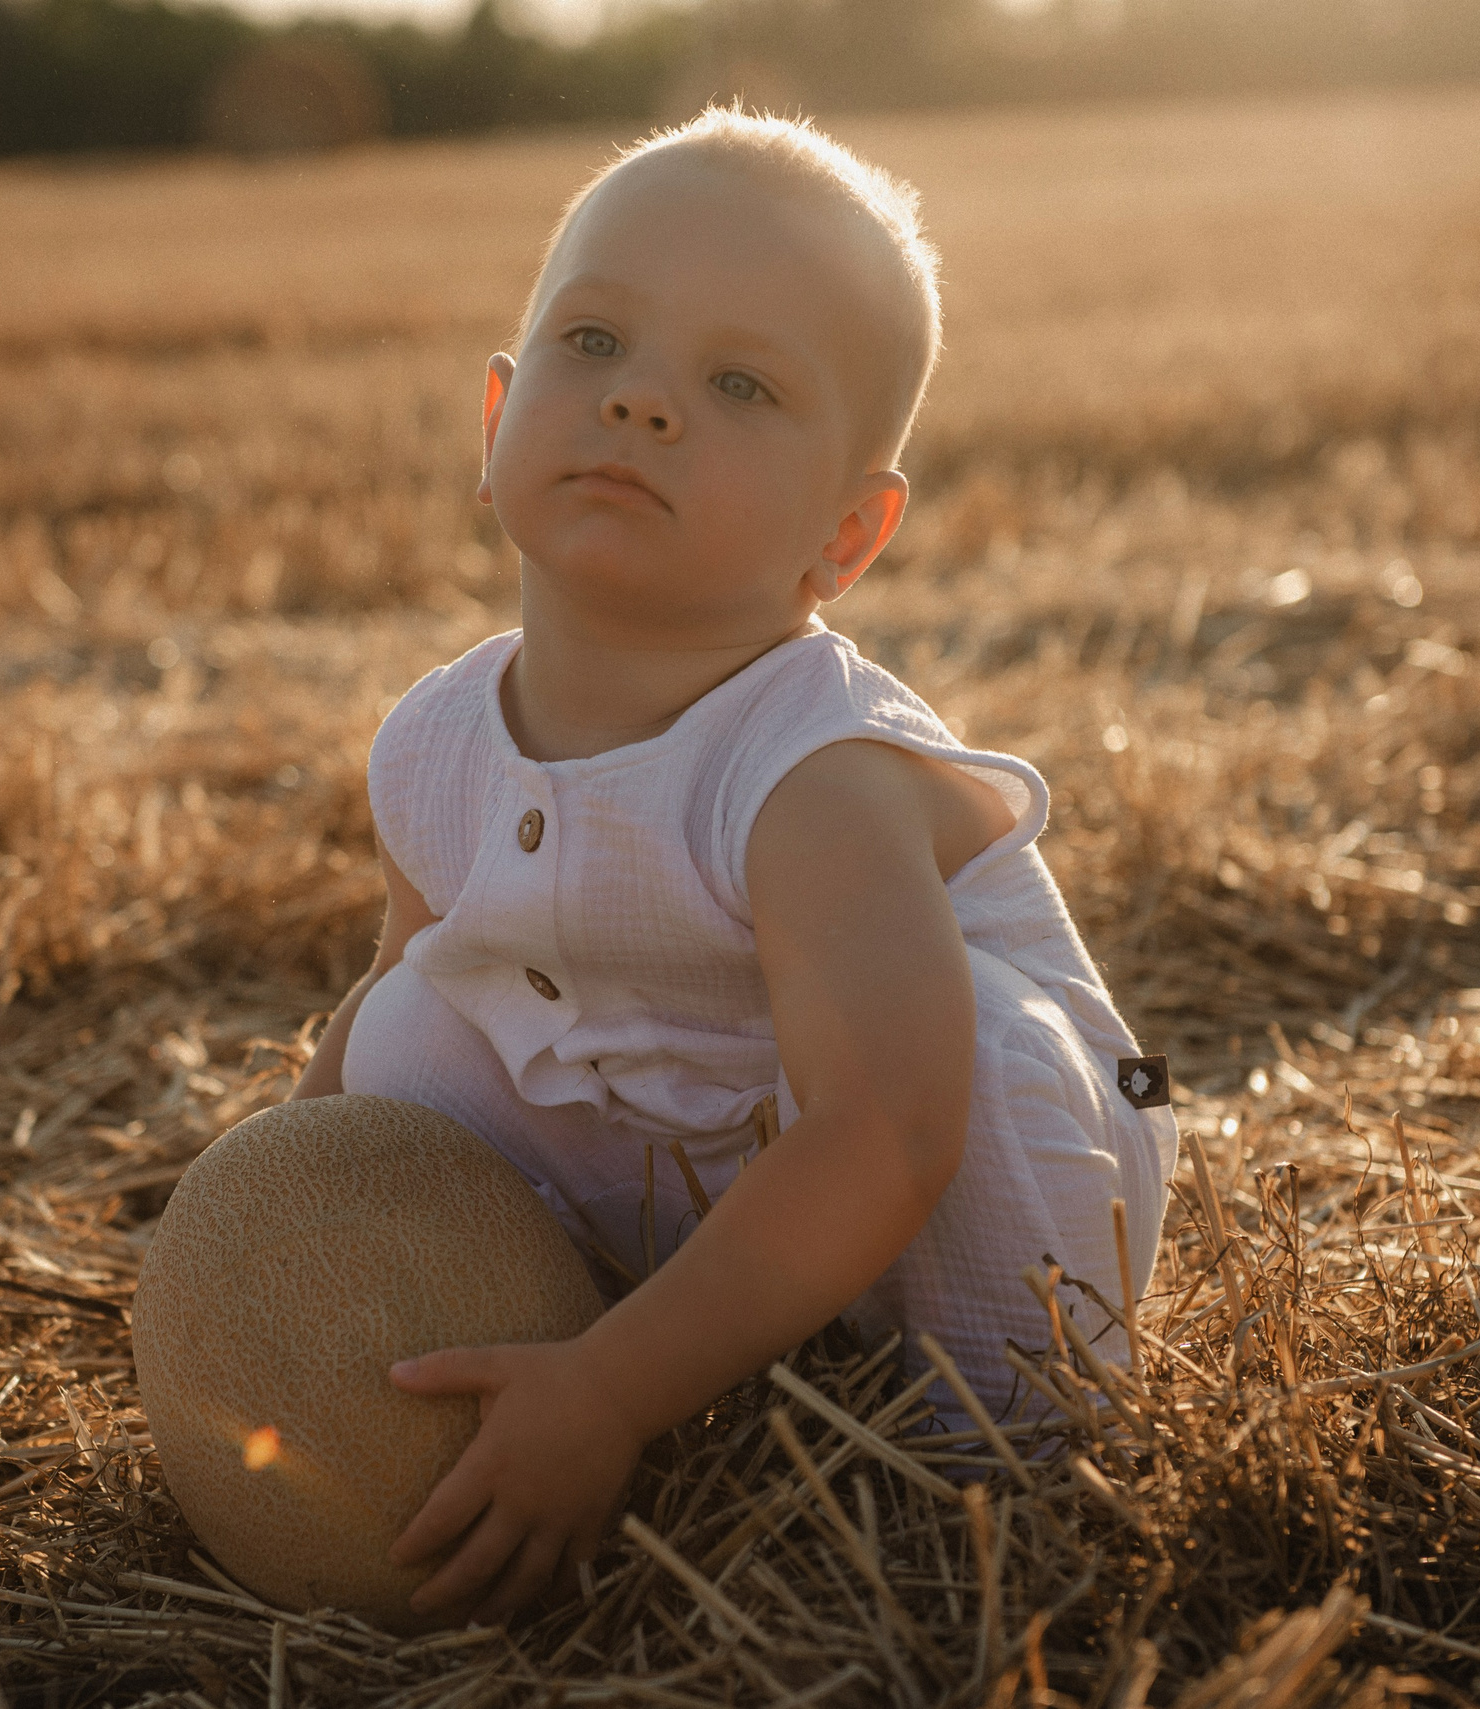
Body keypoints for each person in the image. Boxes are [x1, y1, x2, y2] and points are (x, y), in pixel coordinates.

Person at [287, 106, 1177, 1625]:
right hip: (676, 1133)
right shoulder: (436, 742)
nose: (642, 405)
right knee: (413, 1026)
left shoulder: (808, 769)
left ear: (850, 532)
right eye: (593, 344)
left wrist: (616, 1396)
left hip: (939, 1159)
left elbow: (888, 1130)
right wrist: (273, 1247)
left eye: (740, 382)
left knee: (989, 1062)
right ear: (494, 418)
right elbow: (378, 1017)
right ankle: (593, 1325)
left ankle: (997, 1481)